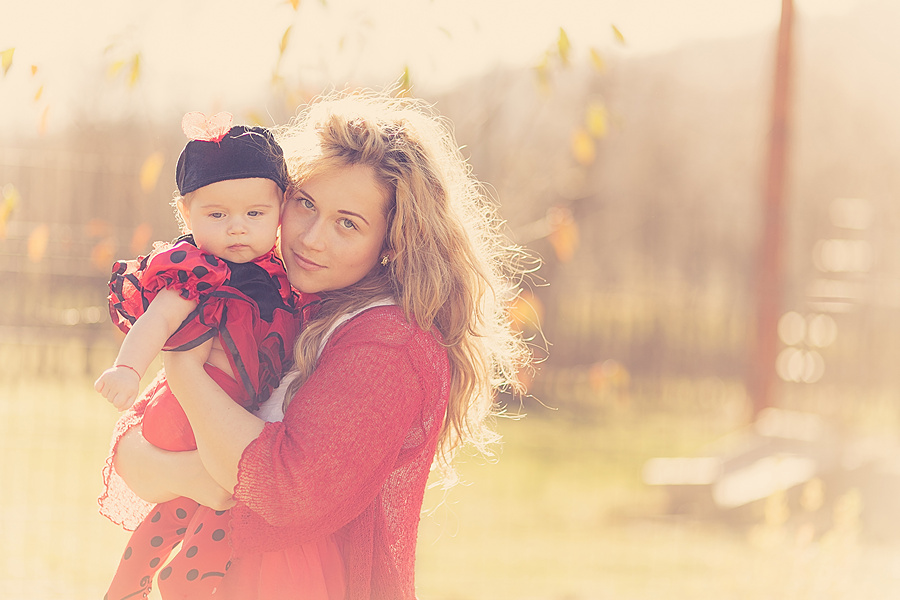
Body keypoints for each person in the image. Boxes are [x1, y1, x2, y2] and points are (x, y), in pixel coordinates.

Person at [98, 90, 533, 600]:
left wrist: (183, 370)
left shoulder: (389, 344)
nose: (310, 238)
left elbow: (282, 489)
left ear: (392, 240)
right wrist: (193, 472)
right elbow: (138, 445)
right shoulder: (286, 299)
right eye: (305, 204)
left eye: (347, 223)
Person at [96, 113, 303, 599]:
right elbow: (157, 321)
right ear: (186, 214)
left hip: (227, 412)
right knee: (221, 498)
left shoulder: (280, 274)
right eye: (217, 215)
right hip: (188, 414)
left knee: (179, 508)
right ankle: (184, 582)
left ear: (279, 212)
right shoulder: (200, 271)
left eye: (255, 214)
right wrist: (128, 369)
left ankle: (131, 584)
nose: (237, 228)